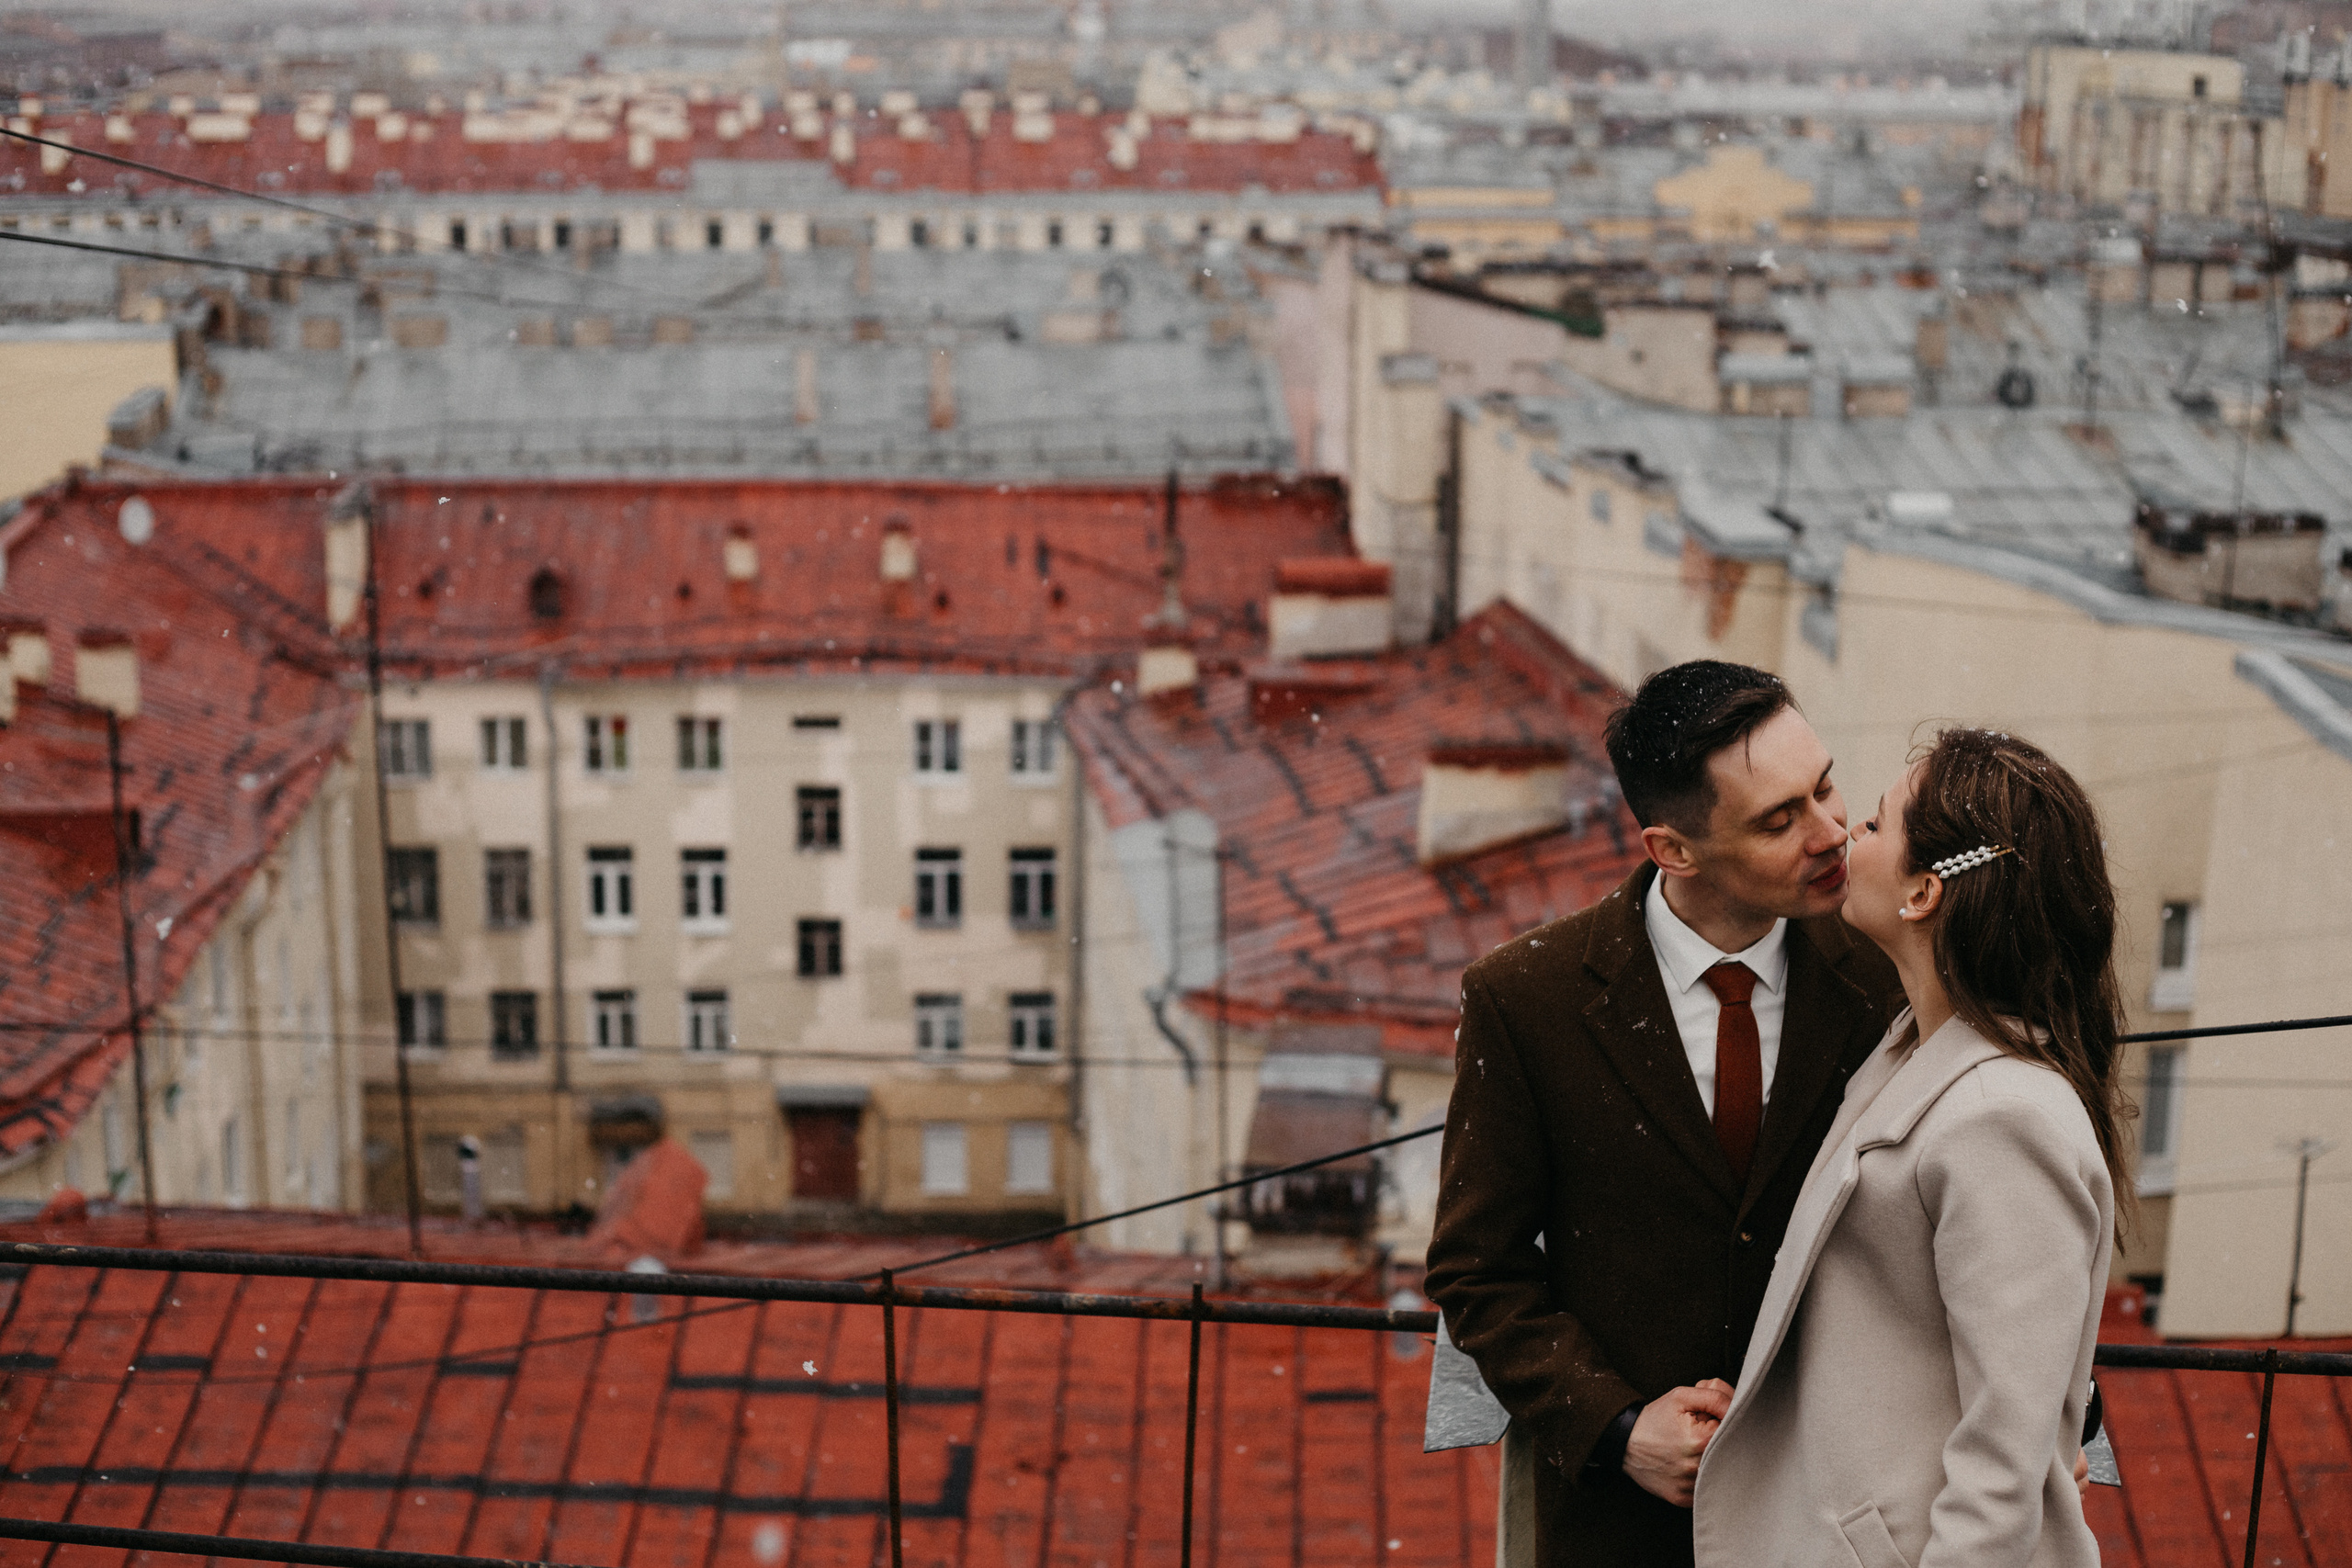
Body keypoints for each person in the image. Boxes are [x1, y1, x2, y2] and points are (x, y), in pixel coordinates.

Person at [1426, 661, 1904, 1566]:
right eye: (1779, 818)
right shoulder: (1527, 999)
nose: (1831, 831)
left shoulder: (1889, 973)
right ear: (1672, 850)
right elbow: (1476, 1270)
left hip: (1830, 1516)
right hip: (1617, 1528)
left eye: (1826, 786)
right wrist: (1616, 1427)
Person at [1692, 728, 2127, 1568]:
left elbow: (2005, 1460)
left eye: (1879, 824)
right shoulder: (1912, 1054)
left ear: (1925, 891)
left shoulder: (2005, 1116)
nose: (1848, 834)